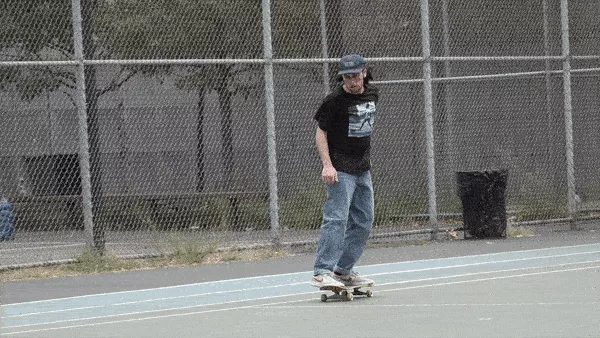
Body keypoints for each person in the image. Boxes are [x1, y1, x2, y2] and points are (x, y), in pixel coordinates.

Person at [311, 54, 378, 288]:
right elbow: (321, 132)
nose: (352, 82)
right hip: (340, 169)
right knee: (337, 218)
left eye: (356, 76)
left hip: (362, 169)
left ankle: (342, 270)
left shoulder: (373, 94)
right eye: (347, 77)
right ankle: (322, 270)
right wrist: (327, 165)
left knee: (364, 221)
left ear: (364, 73)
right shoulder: (334, 101)